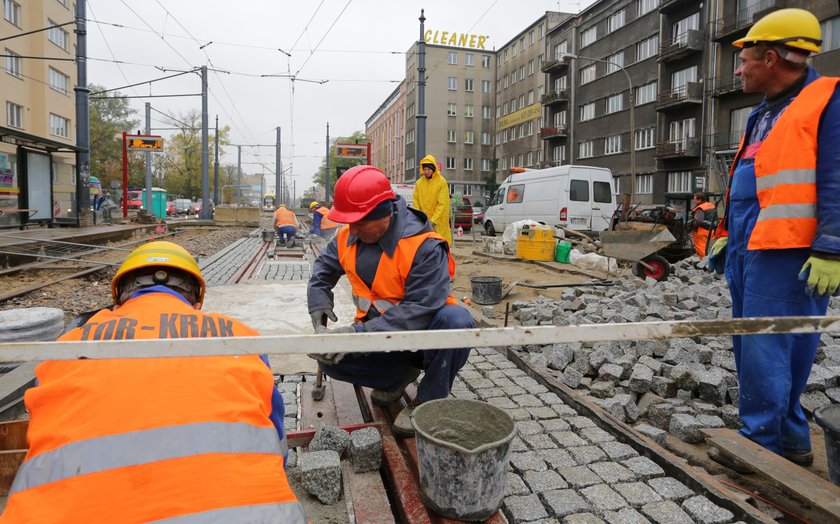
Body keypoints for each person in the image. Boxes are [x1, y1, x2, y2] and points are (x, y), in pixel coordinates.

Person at [2, 241, 305, 522]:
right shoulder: (239, 338)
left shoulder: (67, 347)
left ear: (119, 297)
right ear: (196, 301)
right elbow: (275, 441)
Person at [706, 8, 840, 472]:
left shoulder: (827, 100)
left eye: (743, 60)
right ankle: (788, 435)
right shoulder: (763, 114)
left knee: (771, 343)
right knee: (750, 340)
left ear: (770, 57)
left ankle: (760, 443)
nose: (738, 69)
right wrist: (725, 235)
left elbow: (836, 178)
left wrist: (832, 246)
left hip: (788, 251)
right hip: (751, 244)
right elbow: (752, 181)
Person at [307, 165, 474, 436]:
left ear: (384, 213)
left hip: (423, 339)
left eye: (360, 222)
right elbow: (322, 271)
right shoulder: (347, 236)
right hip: (380, 336)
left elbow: (418, 310)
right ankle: (396, 378)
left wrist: (356, 335)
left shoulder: (425, 246)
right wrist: (318, 301)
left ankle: (429, 401)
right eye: (349, 222)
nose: (353, 230)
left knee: (457, 320)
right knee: (328, 358)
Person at [412, 155, 453, 245]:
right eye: (425, 169)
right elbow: (416, 202)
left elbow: (442, 204)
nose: (426, 172)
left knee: (440, 245)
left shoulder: (441, 182)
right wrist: (420, 217)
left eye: (428, 169)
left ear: (434, 169)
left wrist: (433, 221)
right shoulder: (419, 183)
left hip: (439, 223)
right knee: (425, 246)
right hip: (424, 222)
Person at [688, 193, 716, 258]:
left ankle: (704, 264)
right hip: (710, 230)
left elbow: (697, 221)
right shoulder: (711, 205)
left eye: (694, 199)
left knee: (701, 249)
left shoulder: (700, 208)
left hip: (701, 231)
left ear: (699, 200)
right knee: (706, 248)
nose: (693, 200)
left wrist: (691, 225)